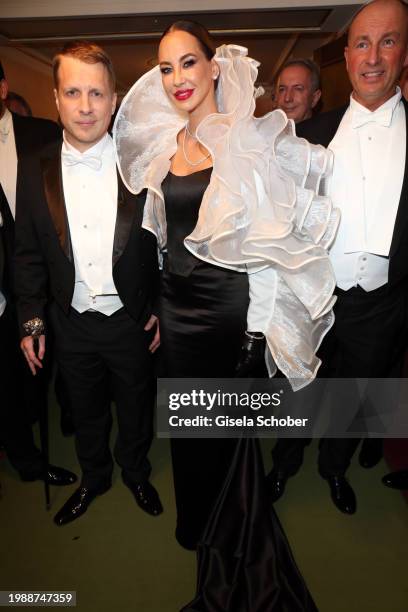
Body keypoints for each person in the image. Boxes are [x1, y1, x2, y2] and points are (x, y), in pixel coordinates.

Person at [114, 20, 338, 610]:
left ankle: (228, 534)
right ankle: (196, 524)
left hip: (227, 312)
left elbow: (270, 244)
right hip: (177, 312)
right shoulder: (168, 148)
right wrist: (158, 305)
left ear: (214, 66)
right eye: (165, 68)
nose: (178, 78)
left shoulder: (247, 140)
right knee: (188, 427)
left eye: (188, 62)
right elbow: (166, 239)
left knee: (226, 431)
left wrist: (255, 332)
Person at [14, 41, 163, 526]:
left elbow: (165, 245)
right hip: (70, 321)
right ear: (55, 98)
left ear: (114, 99)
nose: (85, 106)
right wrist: (32, 318)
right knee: (84, 409)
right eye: (73, 92)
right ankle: (94, 477)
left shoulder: (142, 163)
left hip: (130, 320)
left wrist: (158, 304)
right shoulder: (32, 168)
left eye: (96, 93)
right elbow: (29, 252)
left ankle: (136, 472)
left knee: (138, 406)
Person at [268, 0, 408, 515]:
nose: (374, 57)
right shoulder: (310, 135)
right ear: (346, 56)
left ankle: (334, 467)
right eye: (363, 44)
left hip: (384, 305)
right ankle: (283, 463)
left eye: (388, 41)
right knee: (299, 390)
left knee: (353, 397)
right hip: (313, 299)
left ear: (403, 52)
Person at [0, 183, 76, 486]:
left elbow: (25, 258)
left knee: (15, 380)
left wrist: (31, 323)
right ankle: (27, 462)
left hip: (10, 296)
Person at [275, 58, 322, 123]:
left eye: (298, 89)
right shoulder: (264, 132)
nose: (287, 98)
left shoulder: (333, 132)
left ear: (315, 98)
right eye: (282, 89)